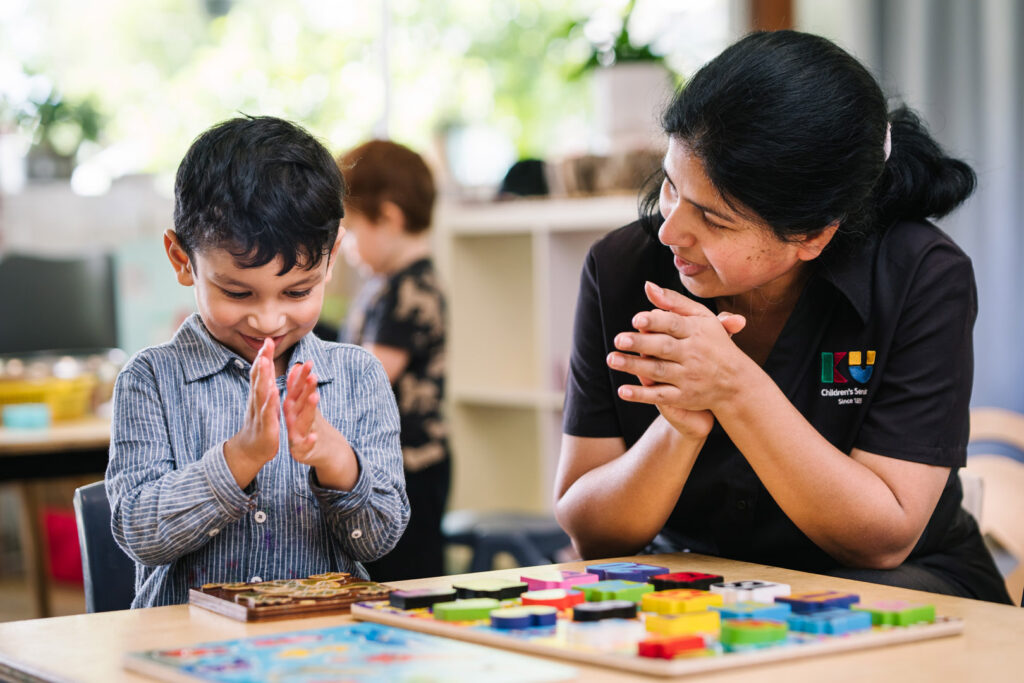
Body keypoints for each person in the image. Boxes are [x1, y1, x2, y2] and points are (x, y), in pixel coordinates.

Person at [554, 30, 1012, 604]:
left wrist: (735, 389)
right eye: (671, 186)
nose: (670, 230)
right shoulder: (621, 268)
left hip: (897, 586)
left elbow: (884, 540)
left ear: (814, 235)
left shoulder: (920, 274)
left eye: (714, 219)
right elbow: (591, 533)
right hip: (700, 585)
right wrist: (679, 428)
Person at [105, 116, 409, 608]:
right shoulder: (151, 380)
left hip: (323, 647)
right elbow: (140, 532)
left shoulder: (357, 376)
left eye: (297, 291)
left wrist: (335, 459)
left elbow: (379, 539)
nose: (268, 320)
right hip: (189, 651)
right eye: (237, 292)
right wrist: (240, 458)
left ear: (330, 260)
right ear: (182, 260)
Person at [337, 139, 450, 581]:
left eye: (351, 229)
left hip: (410, 465)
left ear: (389, 217)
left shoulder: (411, 289)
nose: (345, 246)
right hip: (393, 461)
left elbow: (371, 376)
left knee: (406, 579)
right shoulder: (385, 284)